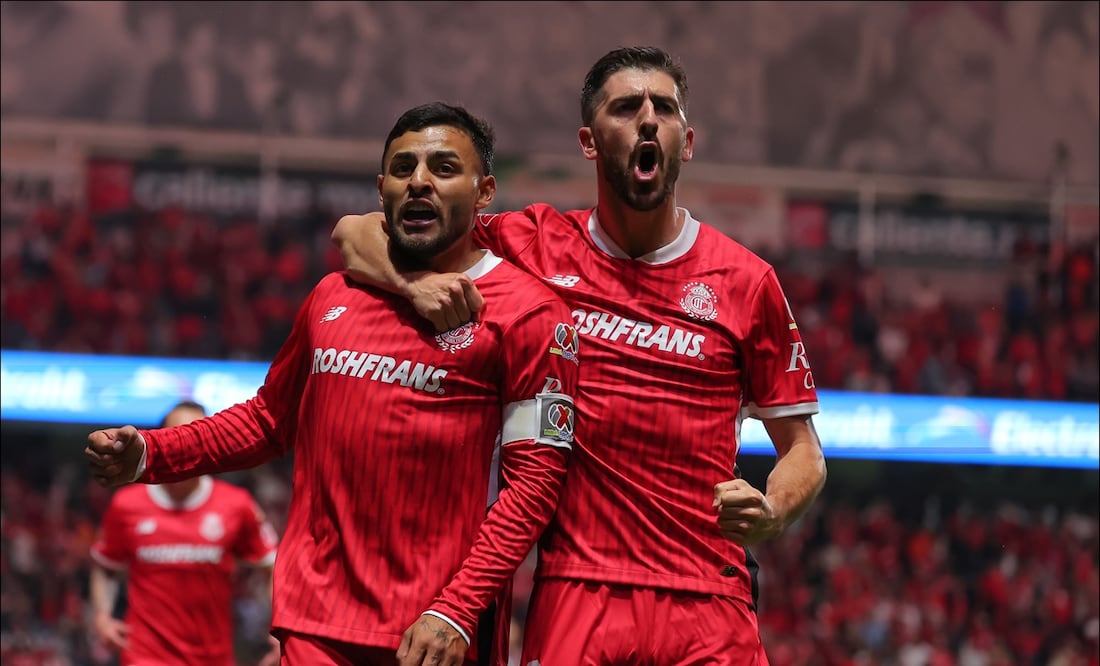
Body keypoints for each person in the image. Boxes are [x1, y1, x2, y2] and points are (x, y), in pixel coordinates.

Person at [331, 46, 827, 665]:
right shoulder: (530, 246)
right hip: (577, 590)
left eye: (664, 109)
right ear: (590, 142)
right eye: (626, 107)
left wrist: (774, 508)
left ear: (687, 140)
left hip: (707, 597)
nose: (648, 120)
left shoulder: (747, 282)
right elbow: (357, 231)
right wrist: (412, 284)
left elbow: (803, 450)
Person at [86, 102, 579, 666]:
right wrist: (152, 451)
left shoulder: (530, 315)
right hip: (314, 624)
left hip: (432, 637)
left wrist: (458, 608)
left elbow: (535, 485)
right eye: (402, 168)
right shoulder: (332, 296)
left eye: (443, 168)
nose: (419, 181)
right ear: (381, 189)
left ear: (484, 190)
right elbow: (269, 420)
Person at [89, 400, 280, 666]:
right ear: (161, 441)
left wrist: (281, 629)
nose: (186, 446)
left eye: (195, 436)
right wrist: (102, 617)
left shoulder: (237, 505)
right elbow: (105, 566)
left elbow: (273, 567)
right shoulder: (126, 505)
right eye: (178, 436)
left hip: (214, 658)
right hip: (145, 656)